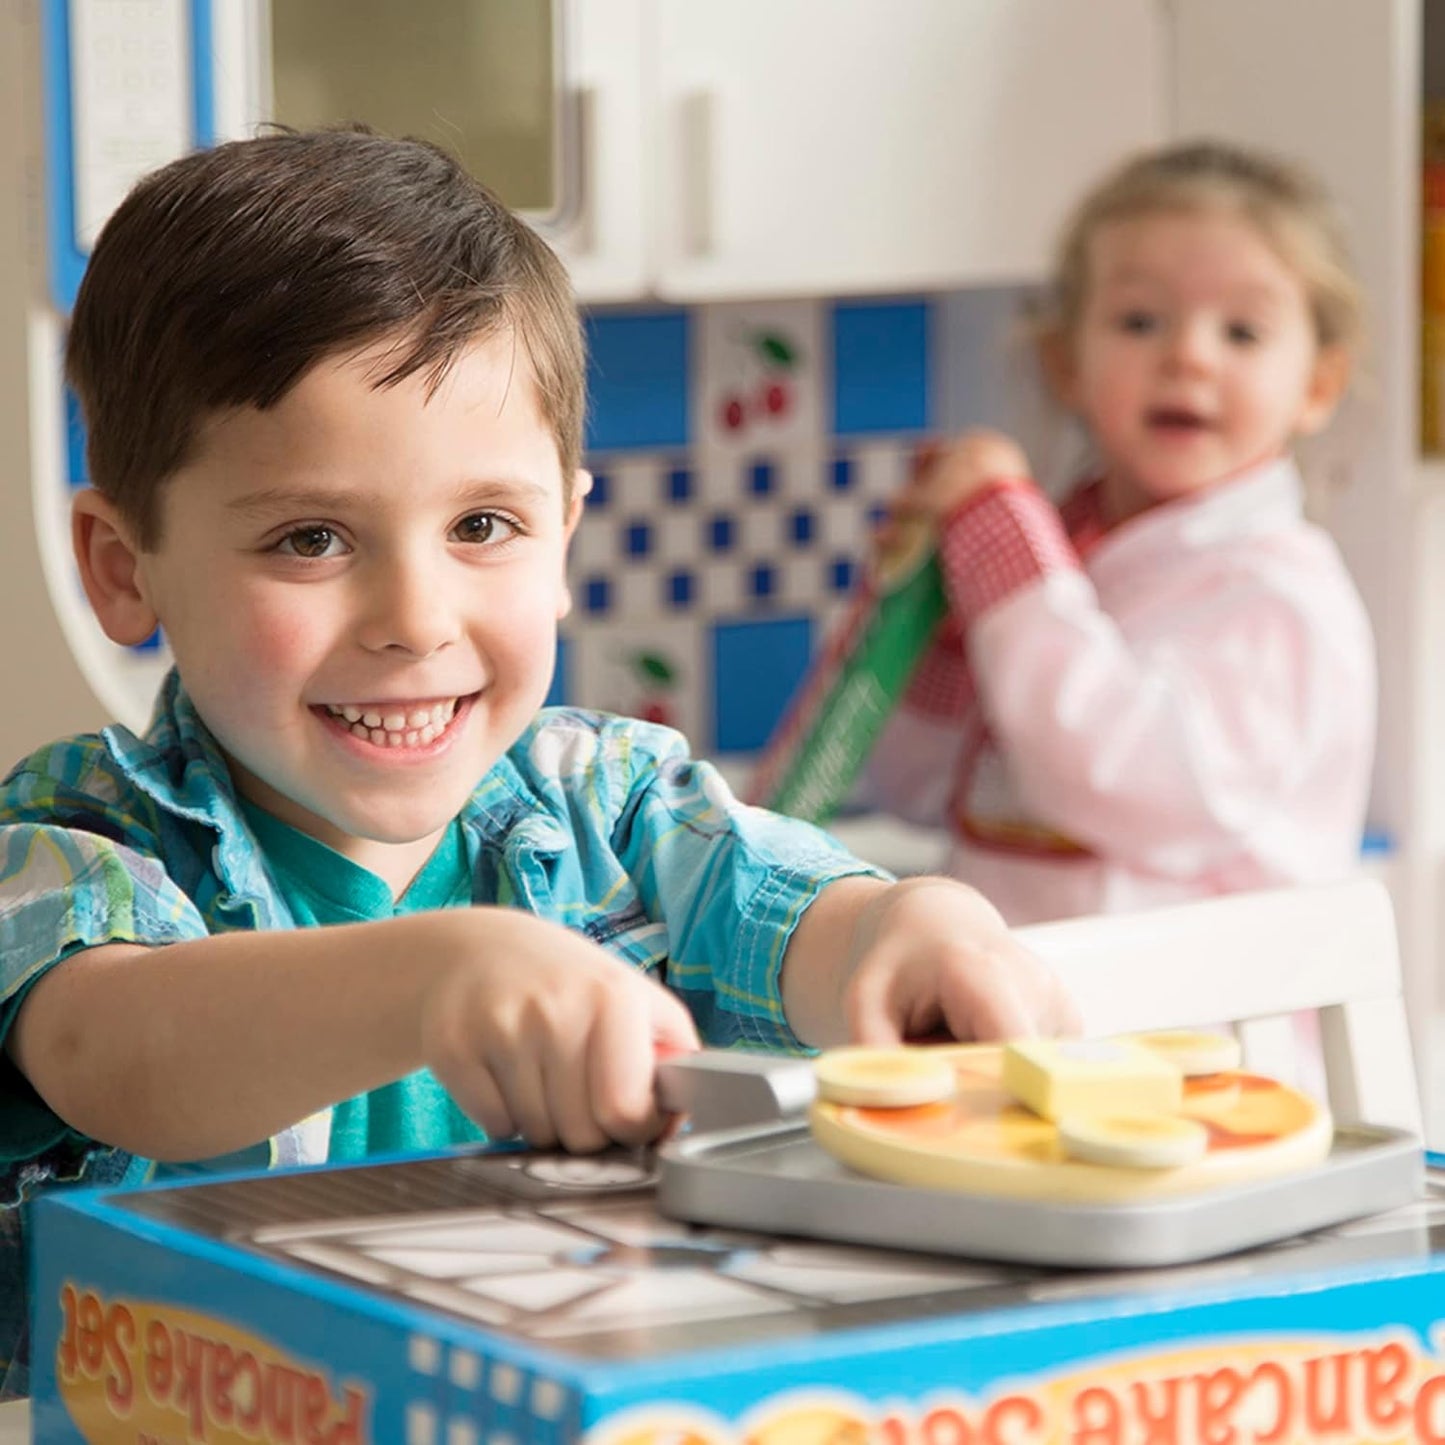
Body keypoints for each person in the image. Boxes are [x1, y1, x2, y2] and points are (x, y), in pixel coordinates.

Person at [0, 128, 1075, 1396]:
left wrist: (913, 927)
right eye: (309, 536)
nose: (415, 614)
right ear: (127, 568)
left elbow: (796, 917)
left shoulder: (609, 803)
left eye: (482, 525)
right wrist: (435, 973)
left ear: (563, 533)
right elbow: (122, 1057)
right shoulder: (79, 836)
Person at [869, 140, 1375, 925]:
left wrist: (1007, 570)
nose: (1187, 356)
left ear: (1316, 386)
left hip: (1202, 1037)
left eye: (1241, 332)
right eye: (1139, 320)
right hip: (1026, 1021)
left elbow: (1118, 776)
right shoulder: (1057, 557)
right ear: (1065, 361)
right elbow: (909, 787)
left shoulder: (1278, 593)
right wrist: (936, 624)